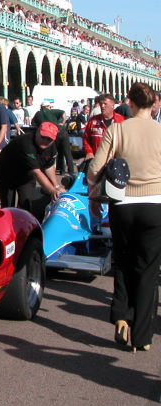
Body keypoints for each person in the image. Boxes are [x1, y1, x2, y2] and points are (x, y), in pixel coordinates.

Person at [87, 82, 161, 353]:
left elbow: (95, 169)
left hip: (124, 203)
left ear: (129, 102)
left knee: (123, 262)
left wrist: (94, 197)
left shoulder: (117, 129)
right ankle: (143, 336)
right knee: (148, 270)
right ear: (153, 104)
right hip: (156, 204)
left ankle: (121, 316)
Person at [0, 122, 65, 211]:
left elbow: (49, 167)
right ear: (37, 132)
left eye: (49, 139)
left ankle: (23, 223)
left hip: (26, 176)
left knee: (27, 204)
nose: (45, 141)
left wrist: (56, 186)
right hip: (6, 174)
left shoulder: (52, 148)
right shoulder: (26, 143)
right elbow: (37, 172)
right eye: (43, 137)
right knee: (8, 207)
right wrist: (52, 191)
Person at [83, 94, 125, 160]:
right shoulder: (93, 121)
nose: (102, 106)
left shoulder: (121, 121)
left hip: (115, 161)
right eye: (101, 104)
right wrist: (89, 152)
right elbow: (86, 138)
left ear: (112, 105)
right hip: (97, 160)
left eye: (105, 104)